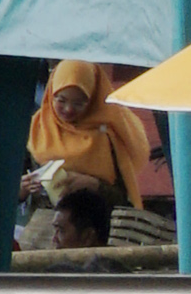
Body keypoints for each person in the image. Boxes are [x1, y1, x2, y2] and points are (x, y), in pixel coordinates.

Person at [29, 57, 152, 205]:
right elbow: (11, 185)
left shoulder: (108, 134)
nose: (68, 109)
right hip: (43, 224)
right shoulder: (36, 129)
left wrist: (94, 185)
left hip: (94, 224)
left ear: (93, 99)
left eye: (79, 103)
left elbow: (125, 199)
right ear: (50, 95)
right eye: (61, 100)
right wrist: (22, 190)